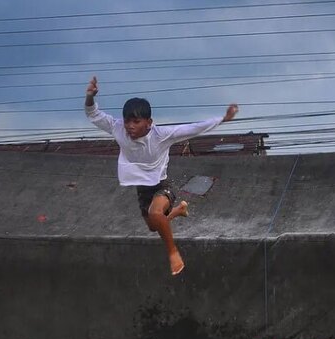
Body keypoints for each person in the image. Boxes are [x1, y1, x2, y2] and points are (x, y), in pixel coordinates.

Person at [84, 75, 238, 275]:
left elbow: (193, 128)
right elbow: (93, 114)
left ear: (149, 122)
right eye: (127, 121)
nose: (130, 126)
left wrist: (222, 119)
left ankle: (173, 254)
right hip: (142, 188)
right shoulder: (117, 128)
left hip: (161, 186)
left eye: (136, 122)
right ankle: (179, 210)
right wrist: (90, 96)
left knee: (156, 214)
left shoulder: (161, 135)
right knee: (153, 226)